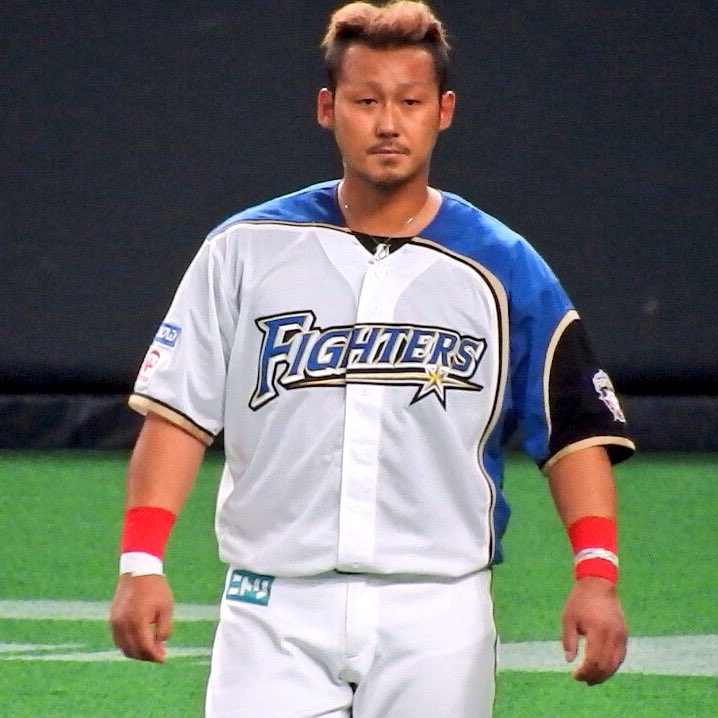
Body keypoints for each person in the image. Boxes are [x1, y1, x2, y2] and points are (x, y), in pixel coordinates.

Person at [109, 2, 636, 716]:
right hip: (271, 606)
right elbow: (177, 414)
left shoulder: (505, 266)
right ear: (327, 109)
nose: (388, 123)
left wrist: (596, 576)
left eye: (409, 102)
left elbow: (572, 431)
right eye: (366, 101)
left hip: (438, 610)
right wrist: (140, 561)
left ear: (444, 111)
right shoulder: (243, 249)